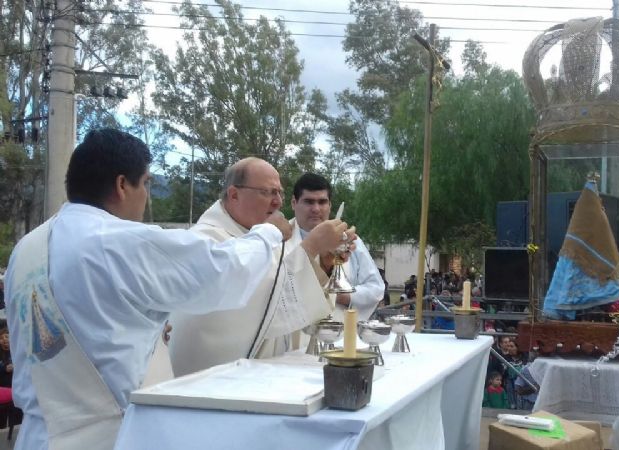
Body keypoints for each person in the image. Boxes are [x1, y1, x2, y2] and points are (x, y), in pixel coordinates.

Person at [3, 129, 350, 450]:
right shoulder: (118, 241)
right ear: (123, 185)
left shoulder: (28, 247)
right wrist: (273, 233)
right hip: (105, 435)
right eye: (146, 184)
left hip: (38, 434)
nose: (147, 197)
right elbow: (224, 272)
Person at [169, 158, 353, 376]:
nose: (277, 202)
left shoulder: (263, 237)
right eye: (267, 192)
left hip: (266, 374)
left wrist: (323, 264)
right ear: (234, 194)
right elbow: (258, 302)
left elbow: (286, 302)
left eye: (279, 193)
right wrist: (311, 247)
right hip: (218, 379)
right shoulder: (206, 240)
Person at [288, 173, 384, 322]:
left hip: (340, 335)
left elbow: (376, 288)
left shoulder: (350, 240)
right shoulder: (279, 240)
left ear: (330, 205)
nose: (316, 209)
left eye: (322, 202)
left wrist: (341, 295)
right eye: (309, 202)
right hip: (294, 337)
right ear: (294, 202)